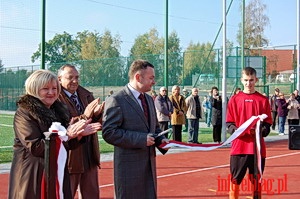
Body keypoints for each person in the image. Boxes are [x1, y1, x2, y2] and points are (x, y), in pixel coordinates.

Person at [8, 70, 100, 199]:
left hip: (57, 171)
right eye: (45, 89)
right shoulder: (25, 113)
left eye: (54, 88)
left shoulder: (59, 110)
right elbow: (35, 147)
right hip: (33, 175)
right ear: (34, 89)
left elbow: (65, 145)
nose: (51, 92)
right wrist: (66, 134)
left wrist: (77, 135)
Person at [102, 59, 169, 199]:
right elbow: (109, 133)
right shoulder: (117, 99)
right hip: (128, 170)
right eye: (151, 78)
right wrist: (141, 139)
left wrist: (162, 140)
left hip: (148, 167)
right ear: (138, 77)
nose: (154, 82)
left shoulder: (149, 99)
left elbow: (154, 128)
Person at [57, 64, 104, 198]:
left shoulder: (86, 94)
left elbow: (96, 123)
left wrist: (98, 114)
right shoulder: (56, 98)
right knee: (67, 193)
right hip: (70, 156)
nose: (75, 81)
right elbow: (63, 124)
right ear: (59, 79)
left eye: (77, 77)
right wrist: (87, 115)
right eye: (70, 77)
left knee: (92, 193)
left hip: (89, 152)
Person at [226, 67, 272, 199]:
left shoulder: (263, 100)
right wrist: (238, 131)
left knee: (257, 181)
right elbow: (229, 123)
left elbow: (268, 123)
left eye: (251, 80)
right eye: (246, 80)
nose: (248, 83)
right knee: (235, 180)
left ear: (256, 80)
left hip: (257, 149)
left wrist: (261, 131)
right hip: (239, 147)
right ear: (241, 81)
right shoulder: (234, 99)